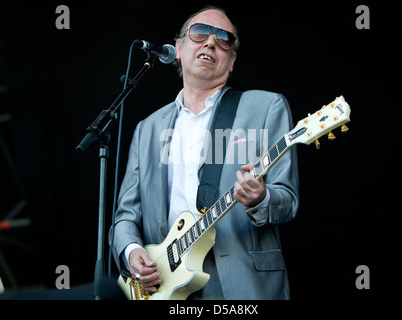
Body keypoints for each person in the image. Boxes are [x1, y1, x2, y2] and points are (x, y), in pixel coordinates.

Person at [110, 6, 299, 300]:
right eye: (199, 33)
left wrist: (261, 198)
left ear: (232, 61)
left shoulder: (265, 107)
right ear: (178, 49)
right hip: (167, 284)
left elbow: (287, 200)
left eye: (224, 39)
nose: (211, 42)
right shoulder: (147, 129)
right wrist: (132, 252)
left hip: (243, 282)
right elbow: (125, 217)